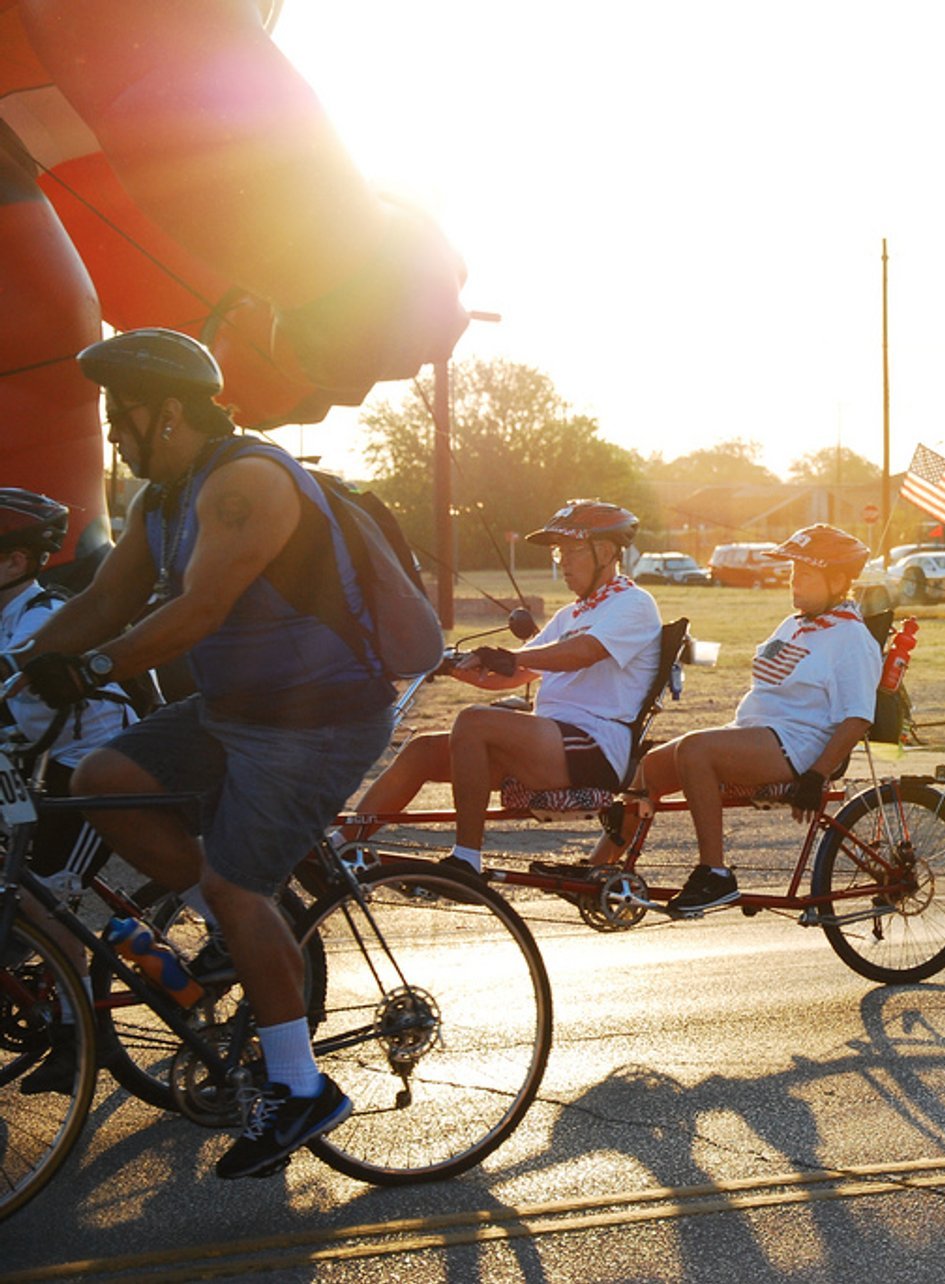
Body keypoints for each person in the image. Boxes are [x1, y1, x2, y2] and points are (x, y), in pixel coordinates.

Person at [18, 328, 395, 1179]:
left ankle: (301, 1089)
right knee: (103, 775)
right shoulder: (164, 500)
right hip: (234, 707)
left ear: (169, 412)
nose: (113, 431)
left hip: (321, 715)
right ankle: (234, 923)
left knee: (234, 882)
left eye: (123, 413)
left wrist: (94, 668)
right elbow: (106, 600)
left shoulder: (245, 483)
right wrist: (17, 669)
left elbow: (201, 608)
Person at [341, 500, 662, 871]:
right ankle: (345, 848)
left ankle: (466, 860)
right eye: (559, 553)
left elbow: (584, 652)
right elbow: (513, 675)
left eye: (570, 551)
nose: (562, 563)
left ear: (605, 552)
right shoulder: (572, 614)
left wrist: (513, 656)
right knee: (422, 751)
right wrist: (451, 666)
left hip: (595, 746)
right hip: (550, 745)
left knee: (474, 722)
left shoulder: (634, 604)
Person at [645, 524, 881, 916]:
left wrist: (817, 775)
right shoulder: (795, 624)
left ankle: (715, 874)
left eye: (805, 574)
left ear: (838, 580)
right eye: (793, 573)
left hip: (800, 746)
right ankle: (603, 876)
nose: (794, 582)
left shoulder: (851, 639)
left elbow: (858, 718)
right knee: (650, 767)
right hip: (759, 734)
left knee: (695, 751)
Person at [0, 489, 137, 1095]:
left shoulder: (38, 618)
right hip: (41, 763)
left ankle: (79, 1032)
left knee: (45, 895)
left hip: (98, 763)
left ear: (16, 562)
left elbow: (15, 687)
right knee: (18, 883)